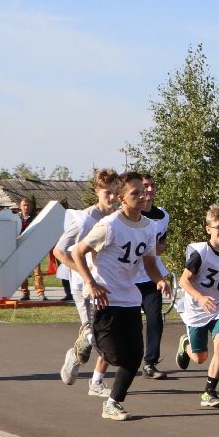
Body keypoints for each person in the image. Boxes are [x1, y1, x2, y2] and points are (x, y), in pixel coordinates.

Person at [71, 172, 171, 421]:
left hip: (130, 298)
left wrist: (160, 280)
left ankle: (113, 403)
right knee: (115, 355)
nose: (142, 196)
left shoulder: (150, 227)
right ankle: (87, 338)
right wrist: (91, 283)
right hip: (105, 296)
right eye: (135, 193)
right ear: (121, 198)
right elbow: (78, 252)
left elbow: (149, 261)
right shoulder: (110, 225)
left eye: (144, 191)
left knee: (135, 355)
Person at [56, 169, 121, 395]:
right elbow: (59, 252)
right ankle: (76, 357)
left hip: (108, 285)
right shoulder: (84, 219)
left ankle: (93, 376)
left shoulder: (117, 218)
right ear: (97, 191)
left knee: (105, 334)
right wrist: (85, 274)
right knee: (93, 335)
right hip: (82, 286)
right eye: (107, 193)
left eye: (115, 193)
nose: (112, 198)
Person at [173, 204, 219, 407]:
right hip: (197, 307)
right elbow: (184, 281)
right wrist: (200, 297)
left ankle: (209, 391)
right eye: (218, 227)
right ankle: (185, 344)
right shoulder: (200, 253)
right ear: (208, 229)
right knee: (200, 358)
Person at [135, 176, 172, 378]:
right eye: (144, 186)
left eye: (151, 186)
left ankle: (150, 362)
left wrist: (162, 247)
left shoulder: (162, 215)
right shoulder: (130, 215)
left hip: (152, 275)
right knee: (131, 324)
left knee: (155, 318)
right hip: (129, 278)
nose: (148, 189)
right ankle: (127, 361)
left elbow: (162, 242)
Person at [15, 196, 47, 302]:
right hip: (21, 248)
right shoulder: (16, 218)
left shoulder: (35, 218)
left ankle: (40, 293)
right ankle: (25, 293)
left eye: (28, 205)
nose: (26, 207)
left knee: (37, 272)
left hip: (34, 248)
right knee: (22, 273)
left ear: (31, 206)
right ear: (20, 206)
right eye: (24, 205)